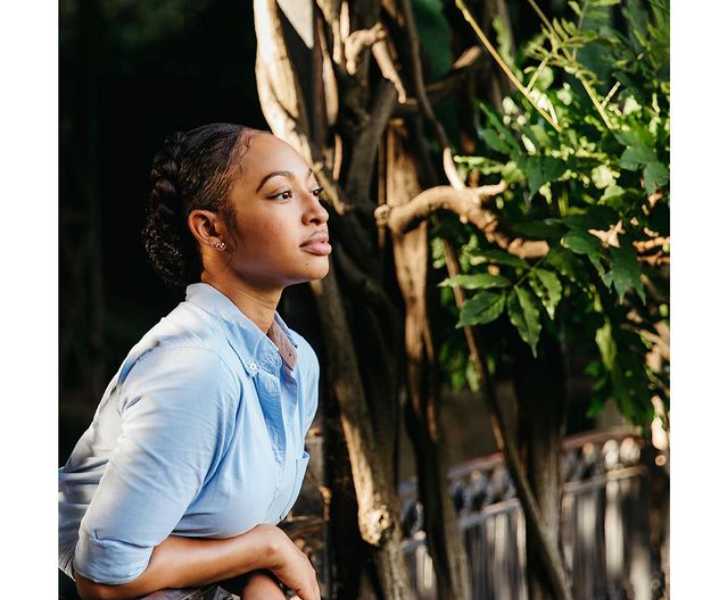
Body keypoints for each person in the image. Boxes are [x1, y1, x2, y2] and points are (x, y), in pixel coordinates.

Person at [58, 124, 331, 600]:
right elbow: (103, 577)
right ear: (210, 228)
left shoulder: (296, 364)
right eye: (283, 194)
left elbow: (227, 530)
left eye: (314, 191)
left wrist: (260, 567)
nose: (317, 212)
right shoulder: (195, 368)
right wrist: (267, 548)